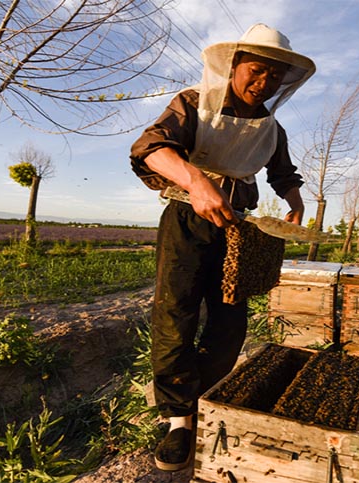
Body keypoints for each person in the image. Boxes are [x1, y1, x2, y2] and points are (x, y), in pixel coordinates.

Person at [129, 24, 315, 471]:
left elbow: (282, 172)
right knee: (176, 315)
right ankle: (178, 420)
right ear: (234, 66)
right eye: (257, 70)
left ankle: (202, 399)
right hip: (187, 221)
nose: (264, 82)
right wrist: (196, 181)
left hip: (242, 229)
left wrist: (295, 202)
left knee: (230, 319)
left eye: (274, 75)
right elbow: (149, 149)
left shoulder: (271, 126)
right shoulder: (195, 103)